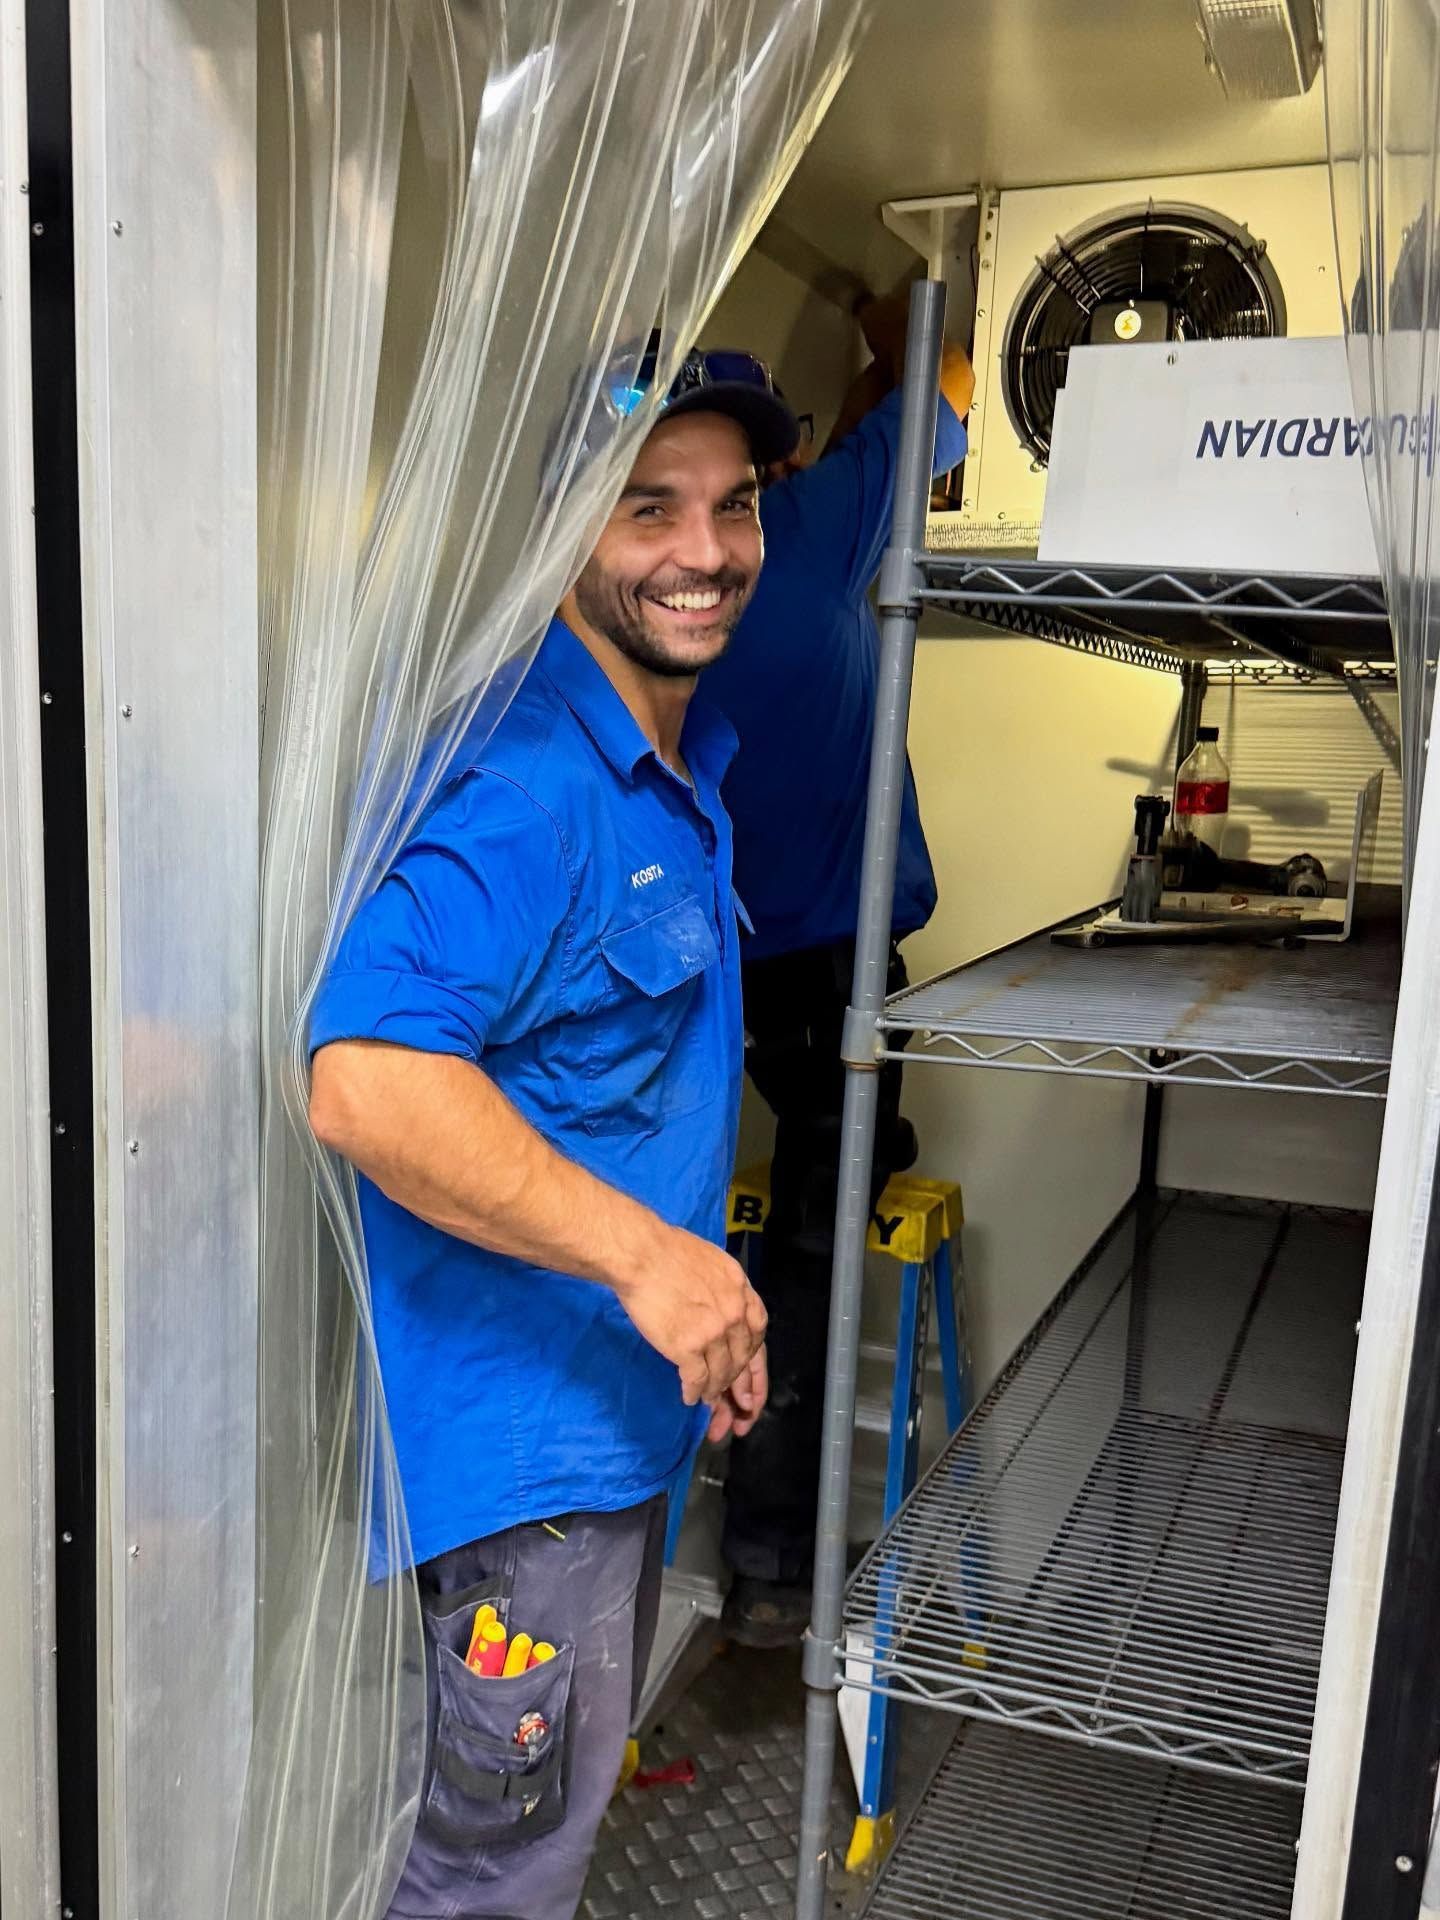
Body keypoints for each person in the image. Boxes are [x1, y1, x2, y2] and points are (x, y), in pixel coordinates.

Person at [307, 347, 800, 1920]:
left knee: (526, 1844)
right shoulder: (534, 783)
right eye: (648, 509)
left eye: (731, 507)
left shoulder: (666, 764)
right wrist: (654, 1263)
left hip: (606, 1420)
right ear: (569, 530)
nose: (702, 551)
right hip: (529, 1476)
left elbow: (621, 1094)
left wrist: (699, 1326)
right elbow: (365, 1078)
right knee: (496, 1878)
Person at [701, 292, 974, 1646]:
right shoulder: (812, 534)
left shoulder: (709, 589)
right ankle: (770, 1559)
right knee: (812, 1247)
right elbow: (956, 383)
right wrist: (894, 325)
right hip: (845, 974)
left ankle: (745, 1535)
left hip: (730, 977)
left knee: (749, 1223)